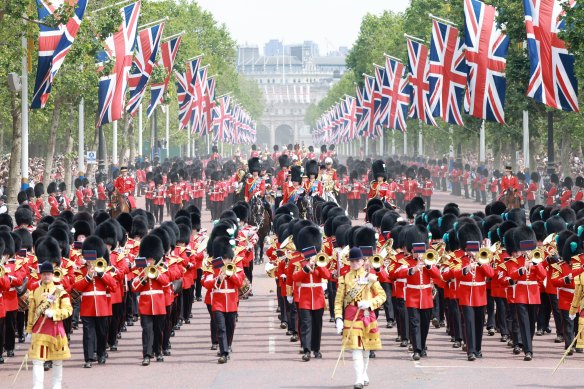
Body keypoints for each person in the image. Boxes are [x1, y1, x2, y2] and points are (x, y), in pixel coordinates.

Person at [334, 247, 386, 389]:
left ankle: (363, 374)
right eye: (352, 261)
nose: (354, 263)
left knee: (366, 348)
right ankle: (358, 379)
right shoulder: (344, 278)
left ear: (363, 261)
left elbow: (382, 296)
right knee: (355, 348)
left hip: (367, 315)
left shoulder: (371, 277)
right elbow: (338, 300)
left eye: (357, 260)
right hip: (351, 316)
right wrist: (338, 318)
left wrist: (370, 303)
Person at [26, 261, 72, 389]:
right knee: (37, 361)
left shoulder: (60, 291)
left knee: (57, 362)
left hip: (55, 330)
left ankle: (56, 386)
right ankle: (37, 386)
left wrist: (55, 313)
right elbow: (31, 312)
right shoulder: (35, 291)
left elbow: (68, 310)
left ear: (53, 275)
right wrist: (29, 330)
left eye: (48, 274)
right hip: (39, 331)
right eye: (44, 274)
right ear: (40, 275)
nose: (46, 276)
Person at [454, 224, 494, 361]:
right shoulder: (461, 259)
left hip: (480, 296)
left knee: (479, 323)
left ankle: (478, 348)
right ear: (466, 247)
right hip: (466, 295)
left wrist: (480, 262)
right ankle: (470, 351)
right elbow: (456, 273)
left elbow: (491, 273)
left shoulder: (483, 258)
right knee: (469, 322)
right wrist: (467, 267)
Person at [203, 236, 246, 364]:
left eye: (227, 258)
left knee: (230, 326)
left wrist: (230, 274)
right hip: (217, 302)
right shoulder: (213, 266)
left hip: (232, 302)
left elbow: (239, 282)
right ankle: (223, 352)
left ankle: (227, 345)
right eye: (223, 258)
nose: (225, 260)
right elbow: (206, 282)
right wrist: (219, 279)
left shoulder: (236, 267)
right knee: (221, 328)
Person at [293, 225, 330, 361]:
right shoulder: (300, 263)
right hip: (305, 298)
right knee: (306, 325)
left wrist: (318, 267)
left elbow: (327, 275)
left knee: (317, 326)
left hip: (318, 298)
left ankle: (317, 349)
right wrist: (306, 268)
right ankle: (307, 350)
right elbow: (295, 277)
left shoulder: (321, 262)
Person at [132, 235, 169, 366]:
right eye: (148, 258)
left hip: (159, 305)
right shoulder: (140, 270)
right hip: (145, 305)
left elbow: (165, 282)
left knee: (158, 330)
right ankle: (147, 354)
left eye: (152, 259)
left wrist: (156, 274)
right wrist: (144, 276)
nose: (150, 261)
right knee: (147, 330)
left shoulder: (161, 268)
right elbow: (134, 287)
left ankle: (158, 352)